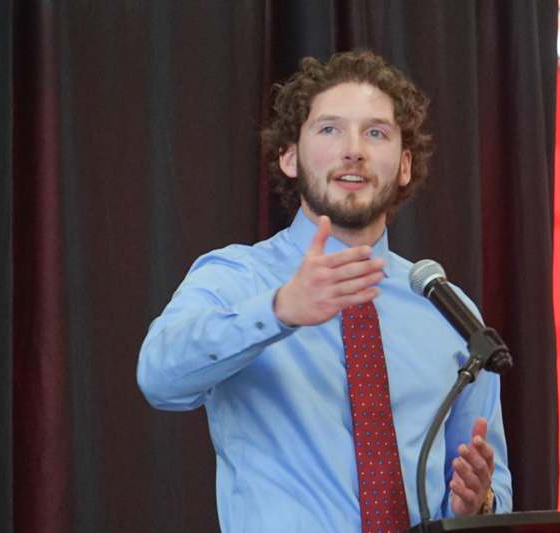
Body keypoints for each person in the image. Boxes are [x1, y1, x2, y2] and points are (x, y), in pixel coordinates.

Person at [137, 50, 512, 533]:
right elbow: (158, 379)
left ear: (404, 165)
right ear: (289, 157)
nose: (353, 149)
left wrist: (474, 507)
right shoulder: (237, 277)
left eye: (375, 133)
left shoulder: (447, 309)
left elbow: (490, 491)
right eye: (330, 129)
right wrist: (278, 312)